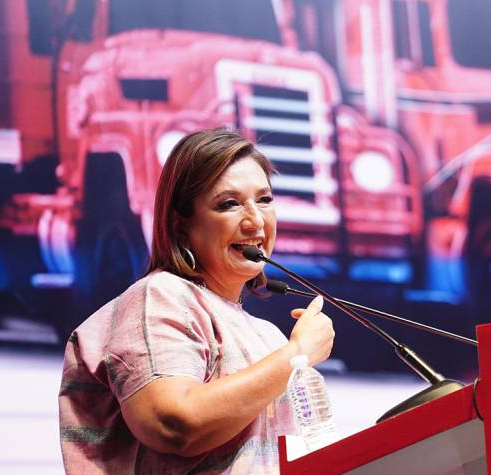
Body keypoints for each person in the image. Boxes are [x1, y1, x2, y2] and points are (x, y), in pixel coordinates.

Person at [58, 129, 335, 474]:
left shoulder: (268, 336)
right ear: (180, 226)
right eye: (229, 204)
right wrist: (297, 355)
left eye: (264, 199)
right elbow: (173, 424)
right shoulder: (160, 296)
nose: (256, 220)